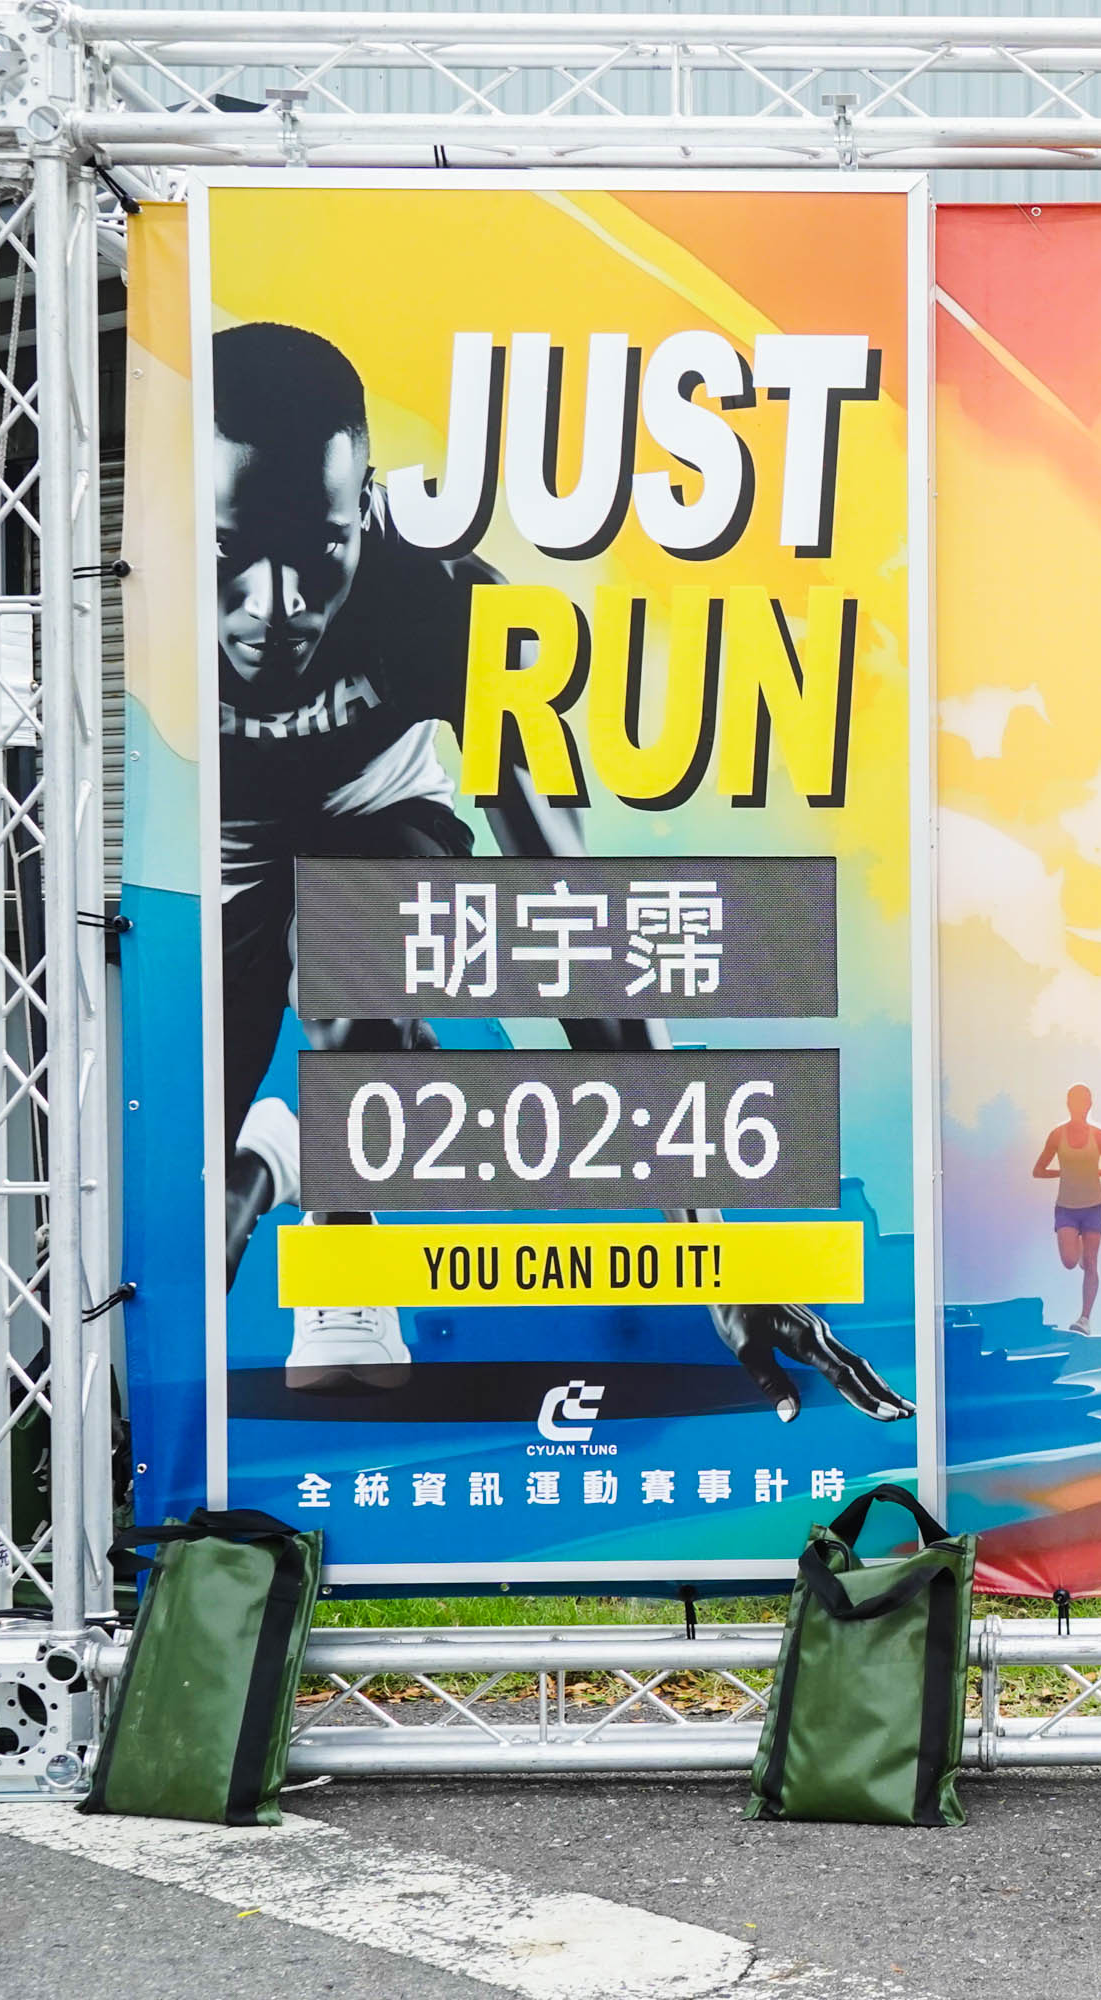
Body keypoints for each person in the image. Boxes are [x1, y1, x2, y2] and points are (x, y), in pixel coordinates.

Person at [202, 323, 906, 1421]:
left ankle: (343, 1238)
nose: (274, 602)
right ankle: (275, 1156)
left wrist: (714, 1257)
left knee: (359, 940)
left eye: (319, 547)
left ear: (367, 507)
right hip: (234, 867)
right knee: (201, 1225)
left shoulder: (446, 602)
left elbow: (571, 924)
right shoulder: (147, 610)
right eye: (229, 552)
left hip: (380, 822)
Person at [1030, 1086, 1101, 1335]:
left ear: (1089, 1105)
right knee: (1070, 1262)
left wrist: (1093, 1172)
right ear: (1068, 1104)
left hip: (1093, 1206)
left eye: (1083, 1101)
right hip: (1066, 1207)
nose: (1079, 1106)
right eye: (1075, 1101)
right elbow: (1038, 1170)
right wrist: (1063, 1172)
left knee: (1091, 1263)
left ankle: (1084, 1319)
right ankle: (1079, 1247)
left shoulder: (1099, 1135)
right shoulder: (1057, 1135)